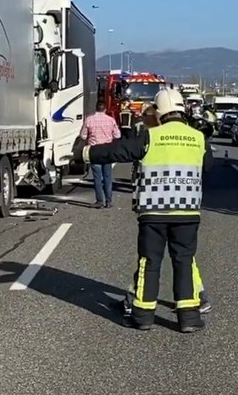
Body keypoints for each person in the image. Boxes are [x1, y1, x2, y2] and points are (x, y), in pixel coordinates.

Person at [82, 88, 214, 333]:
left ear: (159, 110)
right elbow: (208, 165)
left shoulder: (151, 137)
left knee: (149, 262)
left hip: (153, 212)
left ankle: (143, 316)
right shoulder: (198, 138)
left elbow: (117, 151)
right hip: (187, 213)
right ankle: (189, 318)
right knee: (184, 261)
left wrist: (86, 152)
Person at [79, 100, 121, 208]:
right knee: (107, 176)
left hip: (95, 150)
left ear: (96, 108)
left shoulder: (89, 119)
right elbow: (117, 135)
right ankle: (109, 201)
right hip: (107, 150)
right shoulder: (110, 120)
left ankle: (99, 201)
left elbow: (83, 136)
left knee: (97, 177)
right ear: (105, 109)